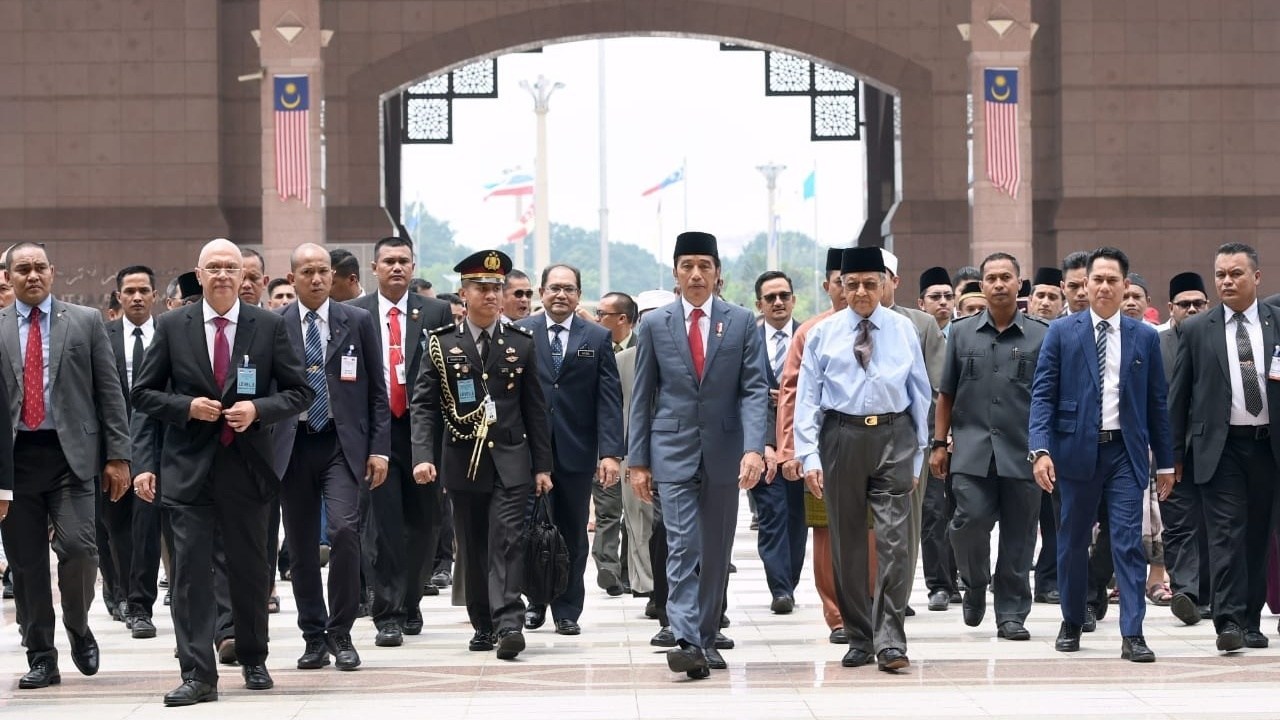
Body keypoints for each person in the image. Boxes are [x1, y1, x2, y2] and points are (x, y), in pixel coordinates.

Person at [132, 237, 312, 705]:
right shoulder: (173, 326)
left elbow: (298, 392)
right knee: (189, 577)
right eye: (213, 267)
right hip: (189, 469)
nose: (223, 275)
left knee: (250, 570)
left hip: (247, 468)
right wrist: (187, 406)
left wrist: (257, 409)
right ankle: (197, 674)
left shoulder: (267, 326)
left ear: (244, 275)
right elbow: (144, 394)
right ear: (199, 273)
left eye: (231, 267)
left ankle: (253, 655)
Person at [628, 231, 768, 679]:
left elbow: (754, 389)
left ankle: (706, 638)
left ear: (717, 273)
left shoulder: (743, 322)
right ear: (675, 273)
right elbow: (643, 396)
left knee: (715, 549)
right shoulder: (654, 324)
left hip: (726, 451)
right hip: (671, 450)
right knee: (683, 543)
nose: (695, 274)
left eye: (704, 266)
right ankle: (685, 636)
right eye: (687, 265)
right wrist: (638, 461)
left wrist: (753, 448)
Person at [1029, 246, 1173, 663]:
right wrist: (1040, 450)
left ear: (1126, 286)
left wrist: (1164, 462)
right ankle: (1072, 620)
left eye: (1114, 280)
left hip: (1125, 455)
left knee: (1128, 542)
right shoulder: (1062, 332)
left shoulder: (1143, 335)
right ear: (1085, 284)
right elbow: (1043, 395)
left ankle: (1133, 633)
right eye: (1098, 279)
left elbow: (1157, 404)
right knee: (1072, 541)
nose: (1105, 286)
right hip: (1074, 453)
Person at [411, 249, 553, 660]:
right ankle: (483, 623)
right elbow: (424, 405)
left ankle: (509, 621)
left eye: (496, 287)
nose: (491, 295)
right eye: (481, 287)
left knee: (506, 540)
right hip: (463, 460)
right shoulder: (442, 345)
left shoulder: (520, 344)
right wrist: (424, 455)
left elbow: (535, 409)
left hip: (511, 460)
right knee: (473, 546)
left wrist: (542, 465)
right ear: (464, 293)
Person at [0, 242, 130, 690]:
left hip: (71, 458)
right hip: (13, 462)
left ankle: (77, 624)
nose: (32, 275)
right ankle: (41, 654)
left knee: (79, 549)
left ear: (52, 273)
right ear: (8, 277)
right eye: (22, 269)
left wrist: (118, 456)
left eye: (39, 268)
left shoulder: (85, 321)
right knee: (26, 564)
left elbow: (109, 392)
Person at [795, 246, 931, 672]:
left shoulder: (903, 329)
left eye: (870, 283)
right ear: (839, 286)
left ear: (886, 284)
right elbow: (807, 399)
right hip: (841, 436)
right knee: (847, 541)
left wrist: (918, 458)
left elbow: (920, 391)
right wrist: (809, 456)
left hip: (894, 434)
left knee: (894, 541)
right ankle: (858, 635)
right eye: (851, 284)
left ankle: (890, 638)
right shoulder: (823, 334)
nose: (860, 292)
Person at [271, 243, 390, 671]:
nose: (318, 278)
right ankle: (313, 635)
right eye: (308, 272)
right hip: (292, 444)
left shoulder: (355, 320)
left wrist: (379, 449)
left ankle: (341, 631)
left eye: (324, 271)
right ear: (292, 277)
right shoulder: (274, 324)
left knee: (343, 531)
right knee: (301, 546)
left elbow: (377, 390)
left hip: (342, 444)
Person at [930, 253, 1048, 641]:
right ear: (982, 285)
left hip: (1024, 453)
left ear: (1019, 284)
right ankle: (975, 582)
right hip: (972, 450)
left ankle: (1012, 613)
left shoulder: (1041, 334)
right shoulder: (962, 333)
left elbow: (1048, 397)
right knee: (967, 523)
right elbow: (946, 393)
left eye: (1006, 278)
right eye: (991, 278)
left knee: (1020, 535)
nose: (998, 284)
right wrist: (938, 444)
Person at [1169, 243, 1280, 652]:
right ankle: (1228, 620)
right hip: (1220, 448)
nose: (1227, 281)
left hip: (1269, 447)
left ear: (1257, 277)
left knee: (1258, 535)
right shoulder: (1198, 329)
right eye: (1220, 275)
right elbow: (1178, 397)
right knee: (1225, 533)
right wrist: (1173, 456)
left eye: (1235, 273)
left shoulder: (1277, 323)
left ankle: (1252, 621)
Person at [348, 236, 453, 647]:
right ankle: (387, 612)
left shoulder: (435, 311)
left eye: (403, 262)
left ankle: (411, 601)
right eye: (388, 261)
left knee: (425, 523)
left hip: (422, 433)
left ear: (412, 267)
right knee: (383, 526)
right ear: (374, 268)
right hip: (376, 434)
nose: (396, 268)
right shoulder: (355, 313)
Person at [517, 264, 624, 634]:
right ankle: (534, 603)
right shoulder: (521, 332)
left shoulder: (596, 337)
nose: (561, 295)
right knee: (530, 532)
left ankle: (567, 610)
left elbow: (608, 400)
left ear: (579, 294)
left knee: (574, 534)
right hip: (530, 454)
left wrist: (610, 453)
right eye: (554, 288)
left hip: (577, 453)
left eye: (569, 289)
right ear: (541, 293)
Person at [779, 248, 851, 642]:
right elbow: (792, 393)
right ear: (828, 286)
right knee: (825, 530)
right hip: (822, 445)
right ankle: (836, 614)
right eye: (842, 281)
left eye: (859, 281)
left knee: (872, 531)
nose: (850, 289)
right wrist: (790, 449)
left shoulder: (888, 327)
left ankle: (867, 605)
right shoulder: (811, 331)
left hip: (874, 445)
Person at [103, 265, 164, 640]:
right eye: (130, 291)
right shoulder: (102, 336)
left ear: (154, 295)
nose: (137, 297)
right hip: (112, 446)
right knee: (115, 526)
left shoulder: (170, 334)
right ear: (119, 296)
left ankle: (139, 604)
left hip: (157, 445)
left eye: (144, 290)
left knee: (146, 524)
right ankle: (121, 593)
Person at [1158, 271, 1211, 625]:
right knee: (1178, 524)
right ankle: (1185, 592)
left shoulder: (1217, 339)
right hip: (1167, 449)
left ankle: (1204, 594)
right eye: (1184, 304)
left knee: (1211, 524)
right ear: (1171, 308)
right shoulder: (1155, 344)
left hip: (1212, 447)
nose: (1191, 309)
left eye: (1198, 303)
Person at [751, 270, 806, 615]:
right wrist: (760, 444)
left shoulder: (809, 336)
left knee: (797, 518)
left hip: (801, 447)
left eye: (784, 295)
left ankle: (790, 581)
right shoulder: (747, 340)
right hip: (762, 447)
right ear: (759, 304)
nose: (778, 302)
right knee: (772, 514)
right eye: (770, 297)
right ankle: (780, 588)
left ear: (793, 299)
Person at [590, 290, 639, 596]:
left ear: (622, 318)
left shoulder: (645, 350)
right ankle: (607, 569)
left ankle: (628, 569)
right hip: (604, 445)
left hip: (637, 446)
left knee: (636, 513)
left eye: (602, 314)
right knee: (608, 509)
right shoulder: (593, 347)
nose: (597, 319)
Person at [918, 266, 954, 334]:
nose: (943, 302)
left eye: (948, 296)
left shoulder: (964, 335)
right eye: (935, 297)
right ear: (921, 304)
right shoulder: (914, 335)